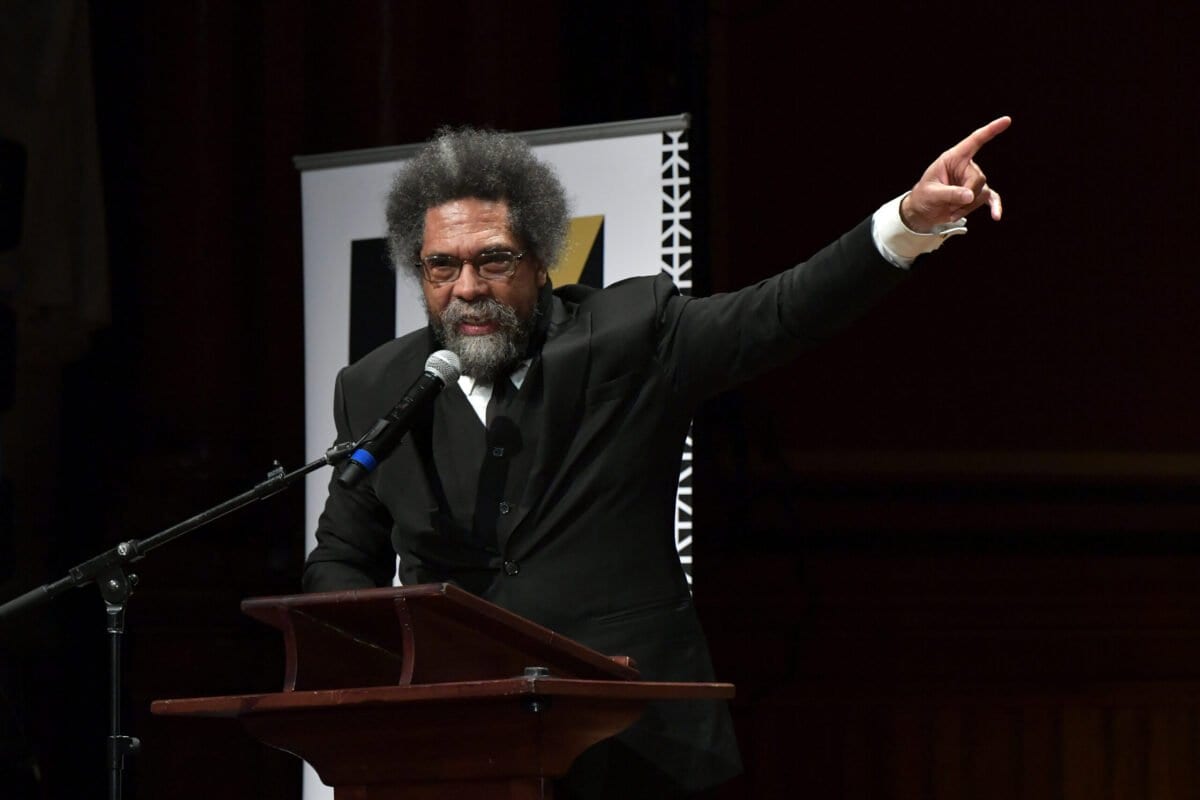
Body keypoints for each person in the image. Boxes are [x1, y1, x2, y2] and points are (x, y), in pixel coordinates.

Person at [303, 117, 1011, 798]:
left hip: (636, 741)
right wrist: (396, 674)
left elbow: (782, 311)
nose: (467, 288)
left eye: (494, 259)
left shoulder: (632, 336)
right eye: (441, 266)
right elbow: (339, 558)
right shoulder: (378, 388)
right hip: (450, 752)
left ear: (541, 257)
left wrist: (910, 222)